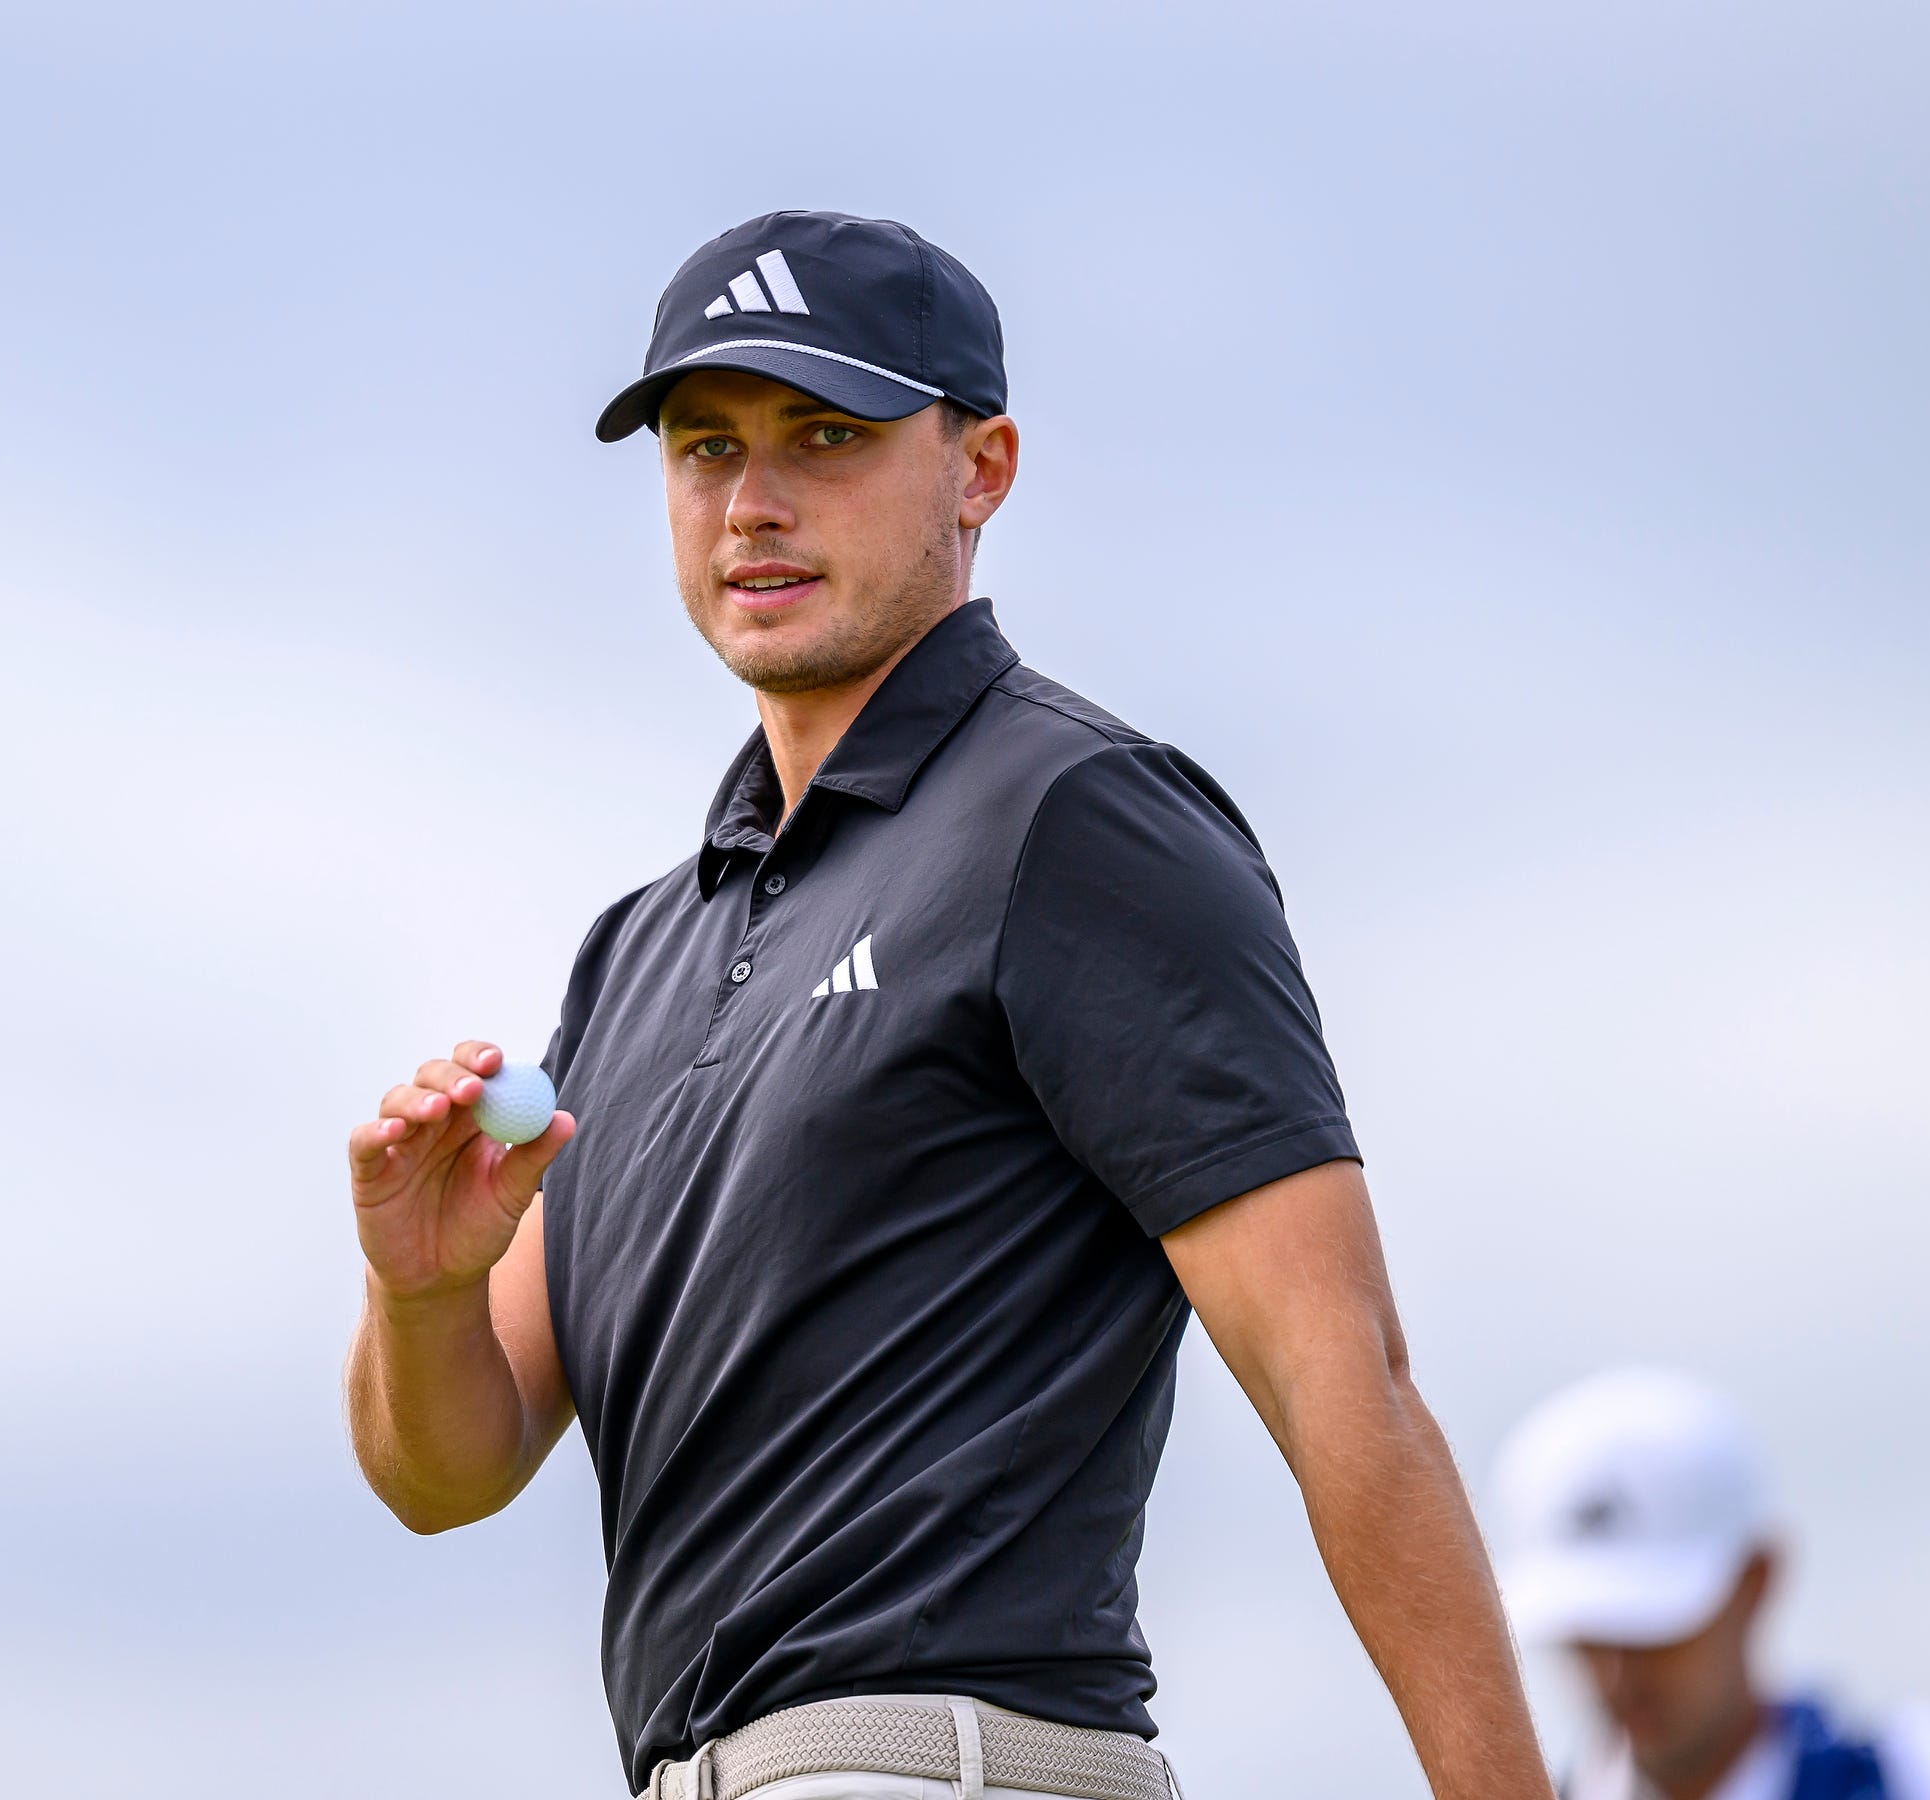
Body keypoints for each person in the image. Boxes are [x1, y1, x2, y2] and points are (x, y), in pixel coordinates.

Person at [342, 209, 1554, 1800]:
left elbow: (1347, 1381)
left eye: (826, 436)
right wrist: (420, 1290)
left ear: (981, 469)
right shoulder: (634, 952)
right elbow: (447, 1472)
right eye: (705, 449)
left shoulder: (1078, 818)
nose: (753, 504)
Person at [1490, 1369, 1930, 1800]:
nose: (1619, 1674)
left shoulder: (1928, 1781)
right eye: (1589, 1636)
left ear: (1756, 1582)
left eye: (1656, 1628)